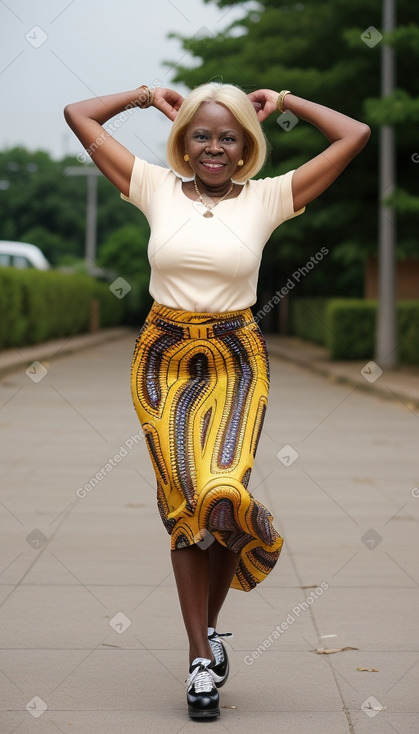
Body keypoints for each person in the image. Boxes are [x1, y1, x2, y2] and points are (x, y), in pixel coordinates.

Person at [64, 82, 370, 719]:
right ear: (183, 140)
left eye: (227, 137)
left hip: (235, 362)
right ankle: (201, 659)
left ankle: (210, 630)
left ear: (245, 148)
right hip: (163, 361)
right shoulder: (151, 185)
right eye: (201, 134)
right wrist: (146, 97)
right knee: (185, 507)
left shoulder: (269, 197)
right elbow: (78, 115)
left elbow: (354, 135)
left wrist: (285, 103)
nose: (213, 146)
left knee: (223, 497)